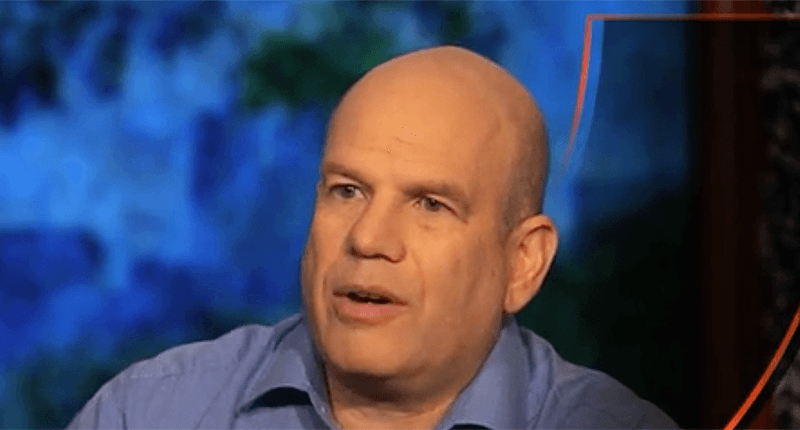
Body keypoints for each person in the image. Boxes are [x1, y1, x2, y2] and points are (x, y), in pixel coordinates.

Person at [67, 45, 679, 429]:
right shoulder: (146, 413)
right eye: (347, 191)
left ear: (523, 262)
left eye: (431, 204)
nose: (368, 238)